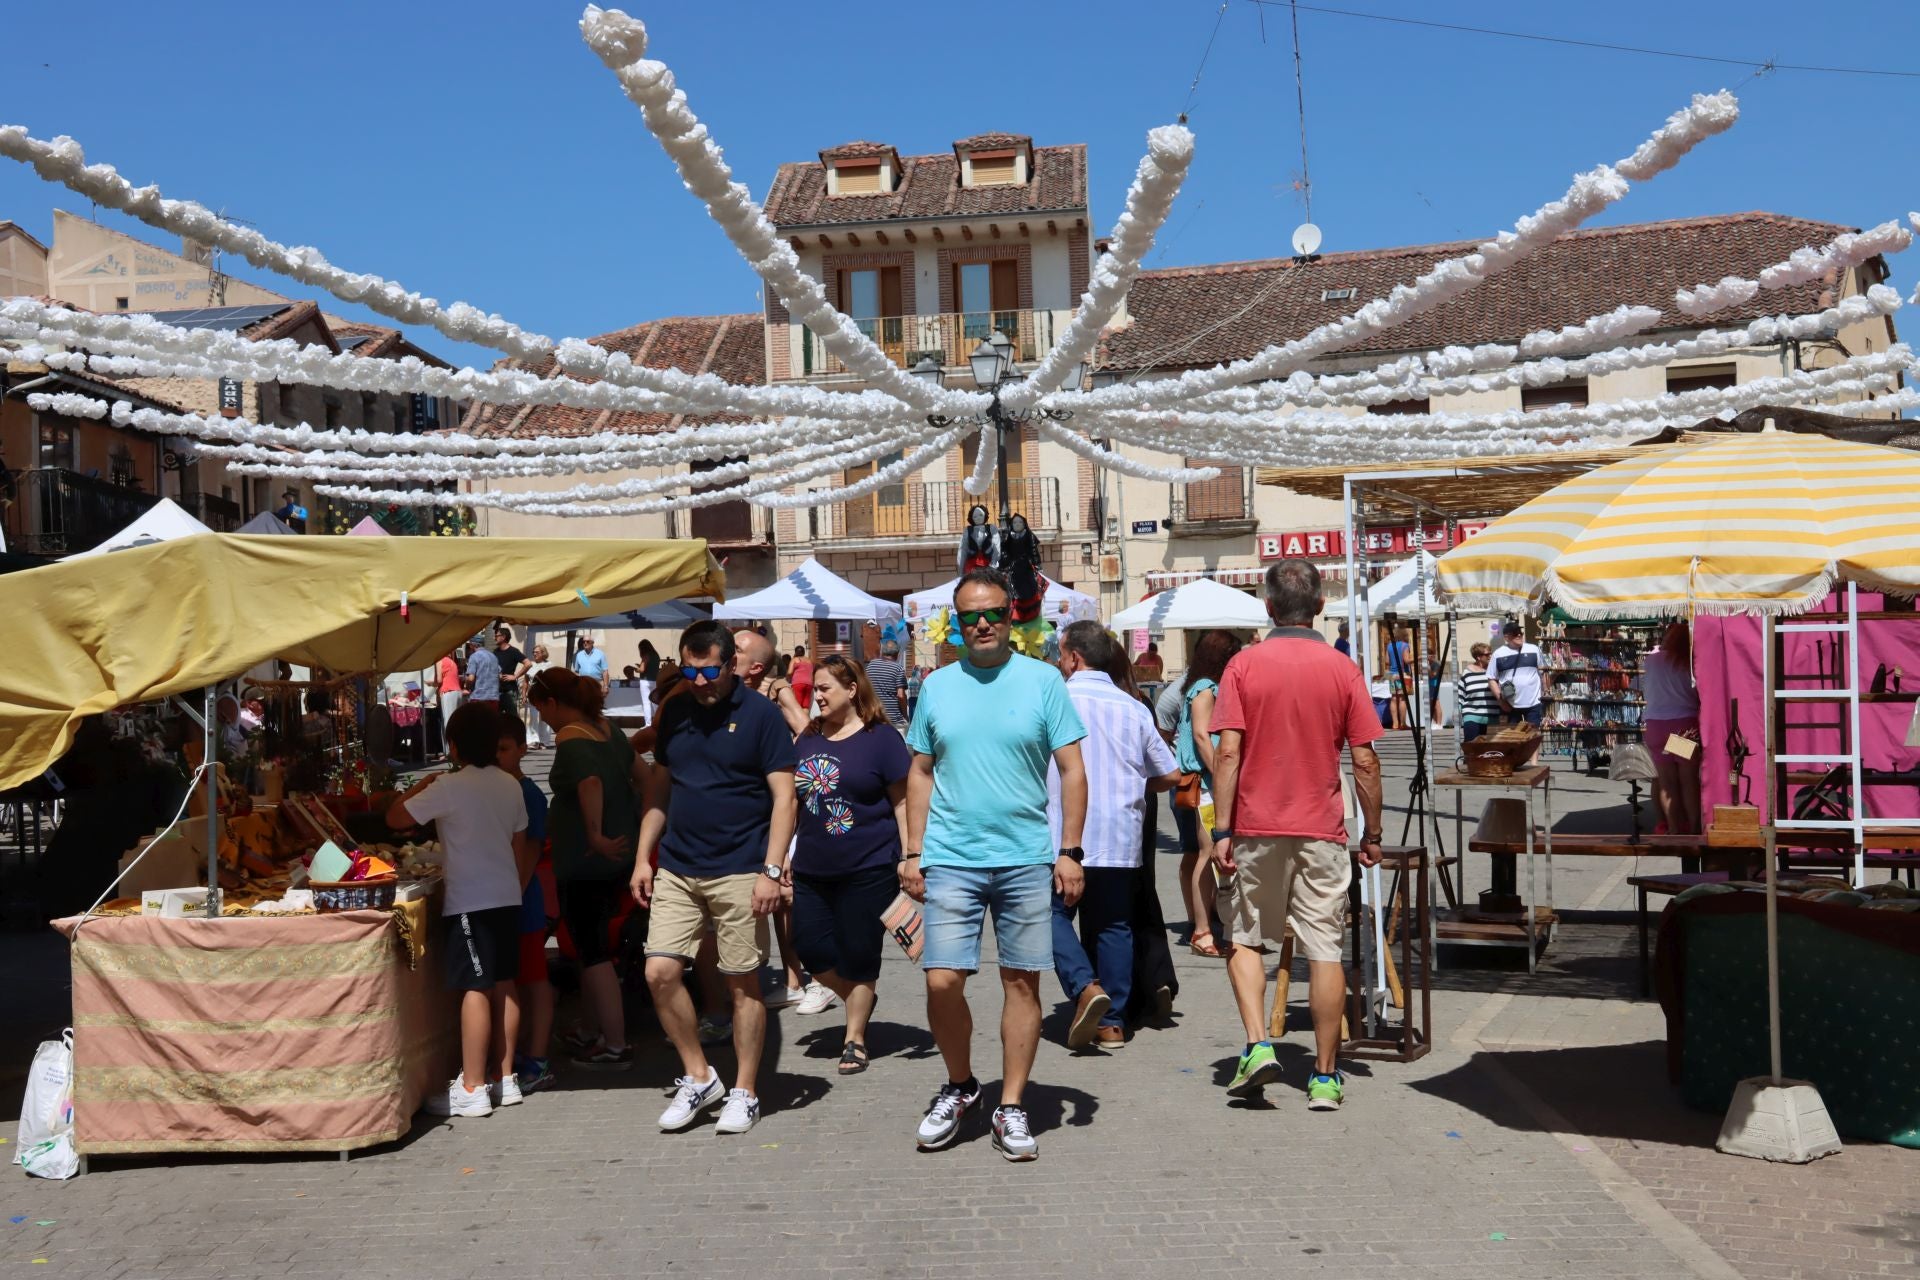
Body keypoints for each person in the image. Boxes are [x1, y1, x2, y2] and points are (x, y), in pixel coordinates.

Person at [903, 568, 1087, 1162]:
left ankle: (1010, 1105)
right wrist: (913, 850)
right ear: (955, 624)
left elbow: (1072, 770)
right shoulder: (936, 685)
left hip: (1025, 858)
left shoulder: (1043, 681)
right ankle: (961, 1086)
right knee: (941, 979)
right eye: (968, 616)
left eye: (993, 614)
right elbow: (920, 771)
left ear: (1013, 618)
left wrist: (1070, 850)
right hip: (952, 856)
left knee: (1021, 981)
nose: (981, 624)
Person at [1208, 559, 1385, 1111]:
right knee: (1325, 950)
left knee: (1246, 938)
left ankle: (1260, 1043)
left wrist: (1221, 827)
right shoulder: (1341, 669)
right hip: (1322, 827)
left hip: (1256, 825)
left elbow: (1229, 751)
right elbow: (1365, 761)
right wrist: (1371, 831)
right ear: (1320, 605)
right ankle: (1326, 1078)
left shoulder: (1242, 665)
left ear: (1267, 606)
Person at [635, 622, 798, 1136]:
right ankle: (699, 1075)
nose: (700, 680)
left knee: (741, 985)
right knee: (659, 973)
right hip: (679, 866)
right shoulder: (676, 710)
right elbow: (660, 789)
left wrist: (772, 870)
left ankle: (745, 1090)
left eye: (708, 669)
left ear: (731, 664)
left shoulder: (761, 717)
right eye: (690, 668)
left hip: (741, 868)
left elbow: (784, 799)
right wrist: (644, 857)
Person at [385, 702, 533, 1117]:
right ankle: (505, 1079)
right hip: (506, 895)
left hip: (471, 900)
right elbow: (519, 846)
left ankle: (472, 1086)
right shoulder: (510, 784)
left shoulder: (450, 786)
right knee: (505, 984)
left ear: (453, 745)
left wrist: (420, 785)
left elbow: (395, 817)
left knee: (476, 988)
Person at [1048, 622, 1178, 1049]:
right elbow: (1170, 772)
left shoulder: (1056, 699)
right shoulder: (1133, 706)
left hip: (1062, 832)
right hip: (1119, 832)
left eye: (1061, 653)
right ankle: (1113, 1023)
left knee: (1046, 915)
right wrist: (1135, 784)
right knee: (1114, 926)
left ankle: (1086, 986)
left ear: (1073, 657)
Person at [788, 655, 911, 1072]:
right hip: (810, 867)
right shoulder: (807, 737)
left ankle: (854, 1036)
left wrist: (911, 856)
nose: (817, 696)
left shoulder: (882, 739)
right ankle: (859, 996)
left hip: (870, 865)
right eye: (816, 689)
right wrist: (783, 853)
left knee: (860, 952)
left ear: (852, 690)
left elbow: (904, 802)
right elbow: (793, 801)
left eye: (824, 688)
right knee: (810, 948)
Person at [527, 667, 641, 1071]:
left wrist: (594, 835)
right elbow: (639, 774)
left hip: (585, 861)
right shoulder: (605, 729)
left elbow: (590, 783)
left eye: (540, 709)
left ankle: (614, 1044)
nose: (543, 719)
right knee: (596, 950)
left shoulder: (571, 736)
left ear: (553, 703)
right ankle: (594, 1030)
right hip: (616, 858)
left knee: (592, 952)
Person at [733, 628, 813, 1009]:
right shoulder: (715, 698)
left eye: (735, 649)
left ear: (755, 667)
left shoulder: (768, 697)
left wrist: (781, 691)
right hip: (737, 817)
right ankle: (791, 978)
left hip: (773, 813)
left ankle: (800, 976)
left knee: (783, 896)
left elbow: (807, 731)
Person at [496, 714, 558, 1093]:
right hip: (507, 897)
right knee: (517, 979)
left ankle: (538, 1056)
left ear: (522, 749)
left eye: (504, 749)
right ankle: (517, 1050)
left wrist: (514, 894)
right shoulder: (500, 790)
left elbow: (531, 852)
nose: (498, 756)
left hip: (522, 899)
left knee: (535, 980)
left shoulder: (530, 794)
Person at [1176, 629, 1242, 959]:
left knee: (1213, 853)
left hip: (1211, 780)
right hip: (1207, 783)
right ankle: (1202, 929)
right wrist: (1220, 775)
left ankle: (1211, 926)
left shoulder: (1203, 686)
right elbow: (1202, 737)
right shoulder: (1205, 689)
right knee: (1207, 852)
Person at [1643, 620, 1702, 835]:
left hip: (1655, 726)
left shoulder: (1651, 661)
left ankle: (1673, 828)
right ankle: (1695, 827)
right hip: (1682, 727)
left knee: (1666, 782)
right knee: (1688, 780)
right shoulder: (1689, 662)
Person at [1492, 621, 1544, 726]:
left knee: (1533, 737)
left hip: (1534, 703)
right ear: (1506, 637)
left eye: (1520, 632)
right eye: (1515, 633)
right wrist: (1501, 702)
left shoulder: (1534, 649)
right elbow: (1491, 678)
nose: (1519, 634)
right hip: (1511, 705)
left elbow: (1543, 673)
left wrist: (1544, 692)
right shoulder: (1498, 654)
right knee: (1513, 739)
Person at [864, 639, 910, 734]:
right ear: (897, 654)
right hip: (893, 719)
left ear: (882, 652)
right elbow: (901, 695)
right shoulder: (898, 669)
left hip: (874, 717)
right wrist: (905, 715)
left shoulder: (871, 666)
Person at [1456, 643, 1496, 741]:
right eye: (1487, 655)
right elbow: (1460, 695)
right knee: (1472, 748)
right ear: (1478, 657)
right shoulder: (1467, 673)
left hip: (1493, 717)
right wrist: (1458, 714)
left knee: (1491, 751)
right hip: (1472, 715)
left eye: (1491, 654)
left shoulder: (1494, 671)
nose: (1490, 656)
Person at [522, 644, 560, 749]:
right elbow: (525, 681)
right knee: (533, 717)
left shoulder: (550, 665)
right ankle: (534, 740)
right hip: (532, 695)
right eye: (533, 652)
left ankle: (544, 741)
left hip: (545, 695)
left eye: (537, 652)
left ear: (543, 653)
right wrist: (524, 695)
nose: (534, 654)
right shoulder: (531, 664)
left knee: (545, 718)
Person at [494, 626, 530, 718]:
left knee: (513, 718)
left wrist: (515, 676)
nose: (495, 637)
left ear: (503, 637)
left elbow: (528, 664)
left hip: (510, 691)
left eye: (497, 635)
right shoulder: (495, 652)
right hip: (497, 691)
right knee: (496, 718)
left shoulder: (513, 651)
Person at [465, 637, 501, 710]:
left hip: (478, 697)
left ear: (472, 645)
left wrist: (466, 685)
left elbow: (471, 678)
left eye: (469, 645)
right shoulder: (493, 656)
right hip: (494, 697)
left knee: (478, 721)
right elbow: (500, 676)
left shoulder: (474, 656)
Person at [789, 645, 814, 712]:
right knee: (805, 705)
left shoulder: (795, 659)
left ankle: (798, 722)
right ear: (804, 652)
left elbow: (789, 672)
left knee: (797, 705)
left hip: (798, 683)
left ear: (795, 652)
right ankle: (806, 721)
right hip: (809, 684)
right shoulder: (809, 661)